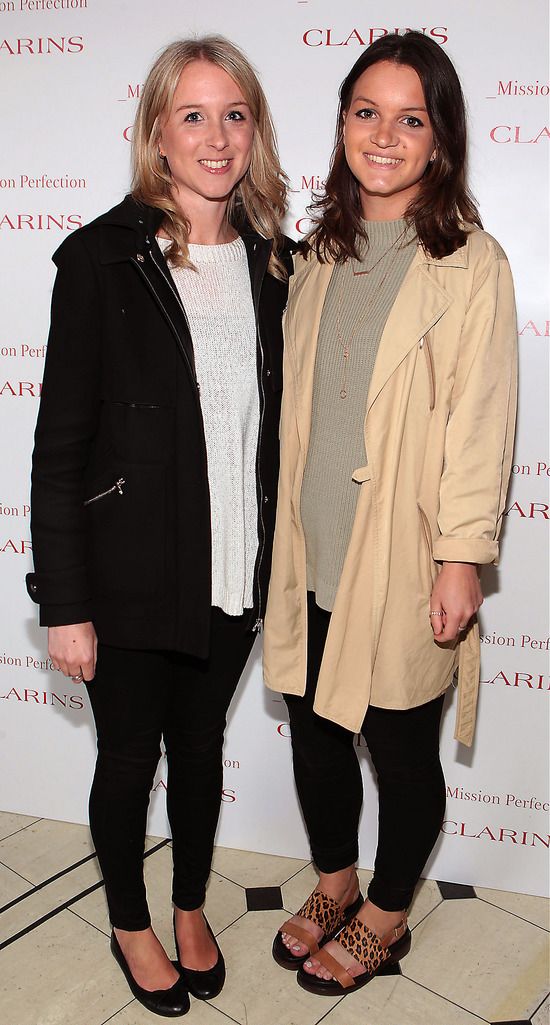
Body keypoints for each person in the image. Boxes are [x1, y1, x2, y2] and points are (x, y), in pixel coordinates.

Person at [26, 36, 292, 1018]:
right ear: (156, 134)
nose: (215, 136)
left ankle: (189, 903)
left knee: (202, 748)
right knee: (129, 758)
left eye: (233, 113)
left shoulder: (278, 261)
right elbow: (60, 447)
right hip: (131, 572)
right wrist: (66, 601)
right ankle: (131, 918)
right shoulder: (101, 258)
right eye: (192, 114)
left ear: (252, 129)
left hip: (236, 570)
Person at [264, 31, 517, 998]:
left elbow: (482, 422)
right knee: (319, 733)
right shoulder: (319, 254)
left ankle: (386, 910)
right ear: (342, 125)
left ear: (440, 139)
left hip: (405, 557)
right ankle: (333, 881)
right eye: (367, 111)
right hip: (313, 544)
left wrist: (461, 559)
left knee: (401, 748)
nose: (385, 134)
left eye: (411, 118)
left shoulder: (470, 262)